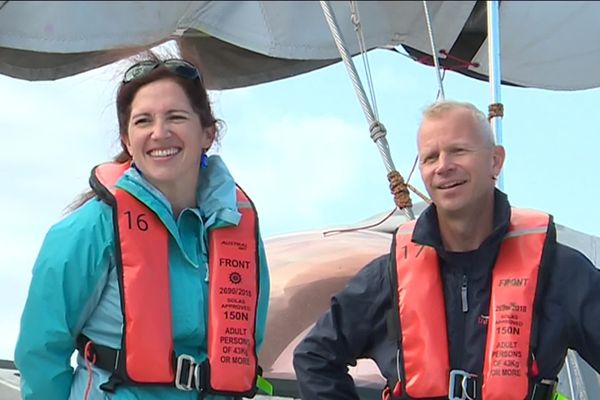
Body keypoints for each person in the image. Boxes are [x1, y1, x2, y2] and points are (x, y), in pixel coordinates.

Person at [293, 100, 600, 400]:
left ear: (495, 160)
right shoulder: (390, 277)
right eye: (430, 157)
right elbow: (315, 357)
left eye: (459, 151)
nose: (443, 166)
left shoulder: (561, 272)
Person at [15, 53, 270, 400]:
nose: (159, 133)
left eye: (176, 117)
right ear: (126, 141)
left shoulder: (237, 228)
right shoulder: (91, 228)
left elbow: (246, 346)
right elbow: (40, 353)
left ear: (208, 133)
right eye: (143, 121)